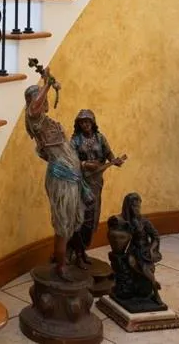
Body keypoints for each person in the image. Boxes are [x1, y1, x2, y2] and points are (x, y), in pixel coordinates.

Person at [23, 69, 87, 280]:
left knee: (72, 219)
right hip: (61, 178)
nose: (44, 102)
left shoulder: (48, 122)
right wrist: (47, 84)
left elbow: (46, 151)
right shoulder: (35, 120)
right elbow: (34, 107)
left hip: (72, 175)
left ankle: (61, 256)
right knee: (63, 223)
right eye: (41, 99)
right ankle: (61, 266)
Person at [69, 109, 127, 263]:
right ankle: (75, 251)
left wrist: (115, 161)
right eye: (82, 122)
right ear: (78, 124)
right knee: (81, 216)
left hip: (96, 182)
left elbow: (108, 153)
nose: (85, 124)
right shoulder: (75, 140)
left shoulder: (100, 138)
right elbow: (69, 159)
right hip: (81, 182)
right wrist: (84, 164)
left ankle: (83, 250)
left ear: (93, 122)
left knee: (92, 216)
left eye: (87, 121)